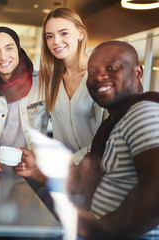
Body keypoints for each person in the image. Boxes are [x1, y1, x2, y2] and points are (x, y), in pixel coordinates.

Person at [16, 41, 159, 239]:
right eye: (92, 72)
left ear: (138, 72)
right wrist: (34, 171)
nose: (99, 76)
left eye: (112, 68)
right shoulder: (114, 122)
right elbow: (82, 179)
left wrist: (100, 229)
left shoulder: (144, 111)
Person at [0, 27, 49, 173]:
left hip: (32, 167)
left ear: (18, 50)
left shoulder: (44, 84)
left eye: (9, 48)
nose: (3, 57)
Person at [39, 8, 105, 164]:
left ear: (80, 33)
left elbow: (106, 135)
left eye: (63, 33)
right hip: (63, 173)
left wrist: (70, 160)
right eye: (50, 36)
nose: (55, 41)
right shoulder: (51, 79)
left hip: (96, 173)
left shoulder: (100, 76)